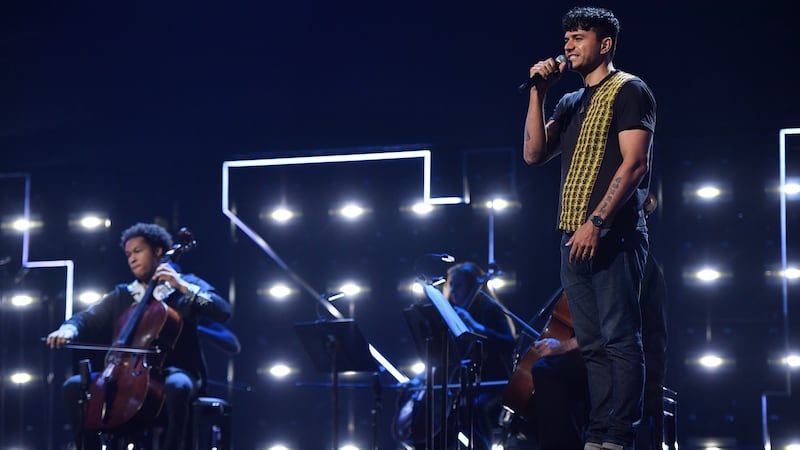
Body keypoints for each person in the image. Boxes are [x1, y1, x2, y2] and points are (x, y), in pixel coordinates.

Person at [521, 6, 656, 450]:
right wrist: (538, 93)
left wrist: (597, 222)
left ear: (605, 44)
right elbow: (534, 155)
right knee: (593, 344)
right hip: (571, 235)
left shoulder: (630, 90)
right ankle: (598, 435)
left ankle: (619, 436)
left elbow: (635, 164)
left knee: (619, 339)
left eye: (578, 37)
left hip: (611, 234)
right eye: (566, 39)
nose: (568, 45)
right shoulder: (570, 101)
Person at [46, 222, 232, 450]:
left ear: (158, 251)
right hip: (127, 375)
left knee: (177, 386)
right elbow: (87, 317)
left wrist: (181, 286)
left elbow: (222, 310)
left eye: (137, 251)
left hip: (176, 371)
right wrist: (69, 328)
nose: (131, 259)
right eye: (128, 254)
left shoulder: (187, 285)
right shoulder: (124, 294)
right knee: (74, 386)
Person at [444, 262, 517, 449]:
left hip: (495, 381)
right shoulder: (454, 315)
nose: (453, 291)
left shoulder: (489, 309)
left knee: (474, 404)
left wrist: (476, 326)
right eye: (451, 285)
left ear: (470, 286)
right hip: (469, 381)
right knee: (447, 408)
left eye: (458, 285)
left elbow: (509, 342)